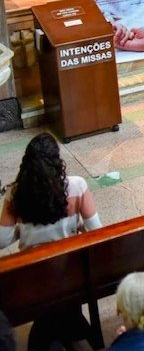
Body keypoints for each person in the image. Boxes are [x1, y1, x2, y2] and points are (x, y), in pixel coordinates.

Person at [0, 133, 102, 349]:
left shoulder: (15, 193)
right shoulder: (77, 186)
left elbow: (2, 239)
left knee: (47, 325)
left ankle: (49, 335)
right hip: (72, 272)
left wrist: (21, 229)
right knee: (67, 314)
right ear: (57, 161)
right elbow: (97, 230)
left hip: (33, 277)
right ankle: (73, 330)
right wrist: (79, 226)